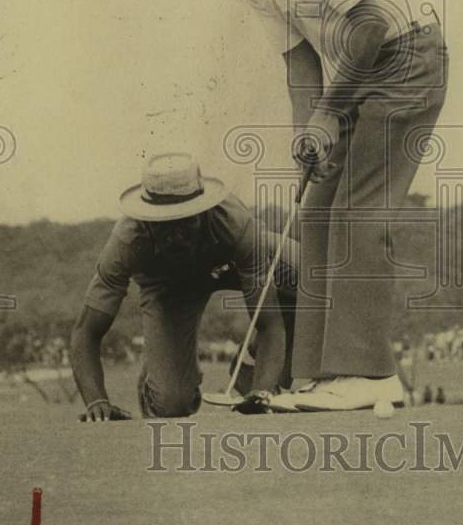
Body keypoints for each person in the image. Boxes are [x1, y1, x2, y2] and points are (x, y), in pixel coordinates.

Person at [168, 0, 448, 411]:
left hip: (407, 58)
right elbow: (299, 61)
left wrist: (326, 114)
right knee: (317, 213)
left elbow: (370, 23)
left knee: (358, 214)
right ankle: (318, 376)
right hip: (354, 71)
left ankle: (370, 377)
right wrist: (308, 138)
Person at [70, 153, 298, 420]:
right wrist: (96, 400)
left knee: (311, 278)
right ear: (146, 220)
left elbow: (268, 321)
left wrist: (262, 392)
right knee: (171, 404)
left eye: (186, 220)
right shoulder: (127, 241)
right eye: (164, 225)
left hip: (230, 266)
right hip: (170, 287)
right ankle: (155, 374)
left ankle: (251, 366)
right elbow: (86, 331)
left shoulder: (235, 223)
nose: (177, 236)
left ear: (205, 210)